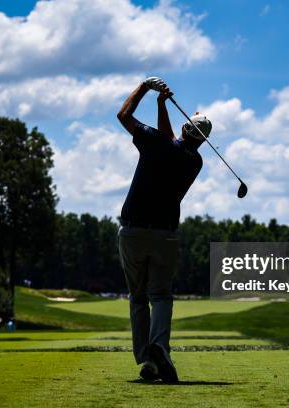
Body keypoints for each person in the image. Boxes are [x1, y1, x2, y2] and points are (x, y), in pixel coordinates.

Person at [116, 77, 211, 383]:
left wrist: (146, 89)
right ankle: (160, 353)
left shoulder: (157, 143)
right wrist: (161, 105)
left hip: (132, 231)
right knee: (161, 296)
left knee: (138, 297)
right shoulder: (195, 161)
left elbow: (124, 116)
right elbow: (170, 139)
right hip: (165, 235)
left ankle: (148, 359)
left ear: (186, 128)